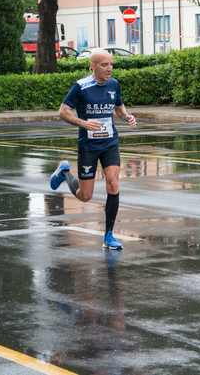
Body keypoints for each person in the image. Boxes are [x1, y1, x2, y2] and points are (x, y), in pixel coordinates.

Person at [49, 49, 137, 250]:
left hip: (110, 143)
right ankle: (65, 173)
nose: (109, 68)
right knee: (85, 196)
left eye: (111, 64)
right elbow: (63, 111)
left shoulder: (114, 84)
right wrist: (83, 123)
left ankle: (109, 235)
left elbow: (119, 107)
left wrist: (127, 116)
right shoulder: (81, 87)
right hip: (88, 145)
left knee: (113, 184)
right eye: (104, 65)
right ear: (93, 66)